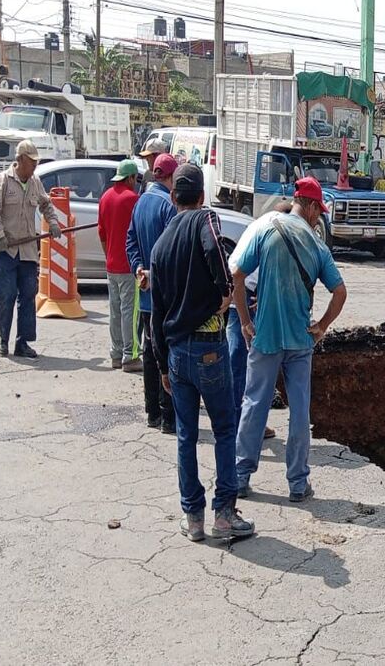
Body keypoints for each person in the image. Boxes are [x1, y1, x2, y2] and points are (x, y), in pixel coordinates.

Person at [150, 163, 252, 542]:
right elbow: (214, 248)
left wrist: (162, 363)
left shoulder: (161, 245)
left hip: (176, 354)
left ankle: (193, 519)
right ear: (201, 196)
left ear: (174, 196)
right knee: (224, 430)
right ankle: (224, 514)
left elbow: (156, 314)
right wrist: (225, 290)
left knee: (186, 436)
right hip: (209, 349)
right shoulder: (204, 220)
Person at [232, 177, 347, 503]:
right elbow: (340, 292)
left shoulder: (267, 228)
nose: (318, 218)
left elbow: (238, 275)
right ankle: (298, 484)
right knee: (299, 411)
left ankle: (241, 477)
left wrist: (244, 321)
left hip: (265, 336)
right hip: (300, 340)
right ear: (309, 206)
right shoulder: (316, 245)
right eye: (318, 212)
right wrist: (322, 325)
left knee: (254, 403)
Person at [0, 139, 61, 359]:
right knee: (6, 296)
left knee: (28, 296)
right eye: (31, 162)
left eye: (36, 162)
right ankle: (3, 340)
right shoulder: (3, 181)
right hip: (6, 250)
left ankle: (23, 342)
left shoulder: (35, 182)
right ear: (20, 160)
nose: (35, 166)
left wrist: (53, 222)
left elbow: (46, 204)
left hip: (27, 250)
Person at [225, 202, 295, 442]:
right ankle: (244, 424)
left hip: (241, 293)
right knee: (250, 364)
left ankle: (247, 422)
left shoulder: (260, 225)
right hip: (246, 295)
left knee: (245, 362)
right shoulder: (275, 232)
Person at [126, 152, 178, 432]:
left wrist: (138, 270)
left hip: (146, 289)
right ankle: (168, 417)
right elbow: (171, 251)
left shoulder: (142, 201)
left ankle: (152, 413)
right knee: (167, 352)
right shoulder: (168, 206)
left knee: (150, 350)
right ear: (170, 178)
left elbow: (130, 240)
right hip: (166, 294)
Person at [98, 160, 141, 370]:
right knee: (130, 312)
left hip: (111, 265)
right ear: (131, 178)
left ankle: (116, 353)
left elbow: (102, 233)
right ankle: (130, 356)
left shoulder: (105, 197)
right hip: (128, 266)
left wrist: (109, 256)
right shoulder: (133, 199)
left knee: (115, 310)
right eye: (135, 179)